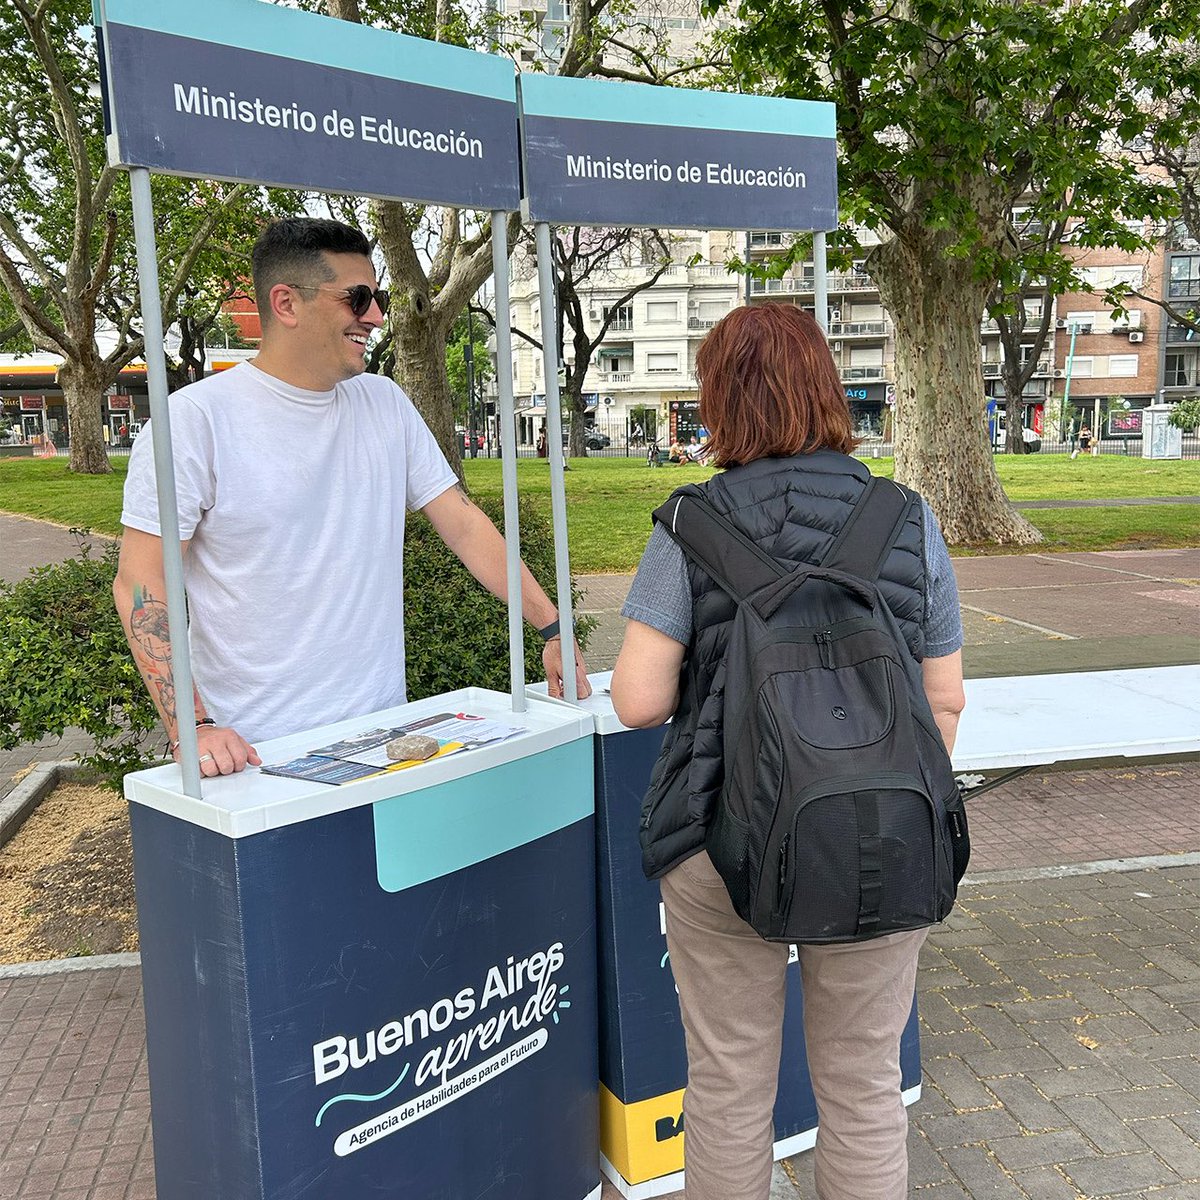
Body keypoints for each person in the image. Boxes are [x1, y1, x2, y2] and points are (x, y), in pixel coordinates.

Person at [610, 304, 965, 1200]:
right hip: (881, 837)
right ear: (828, 387)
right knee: (863, 1083)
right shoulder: (905, 519)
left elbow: (640, 699)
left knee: (728, 1084)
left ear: (719, 399)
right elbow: (944, 697)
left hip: (717, 834)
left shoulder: (692, 523)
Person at [114, 218, 588, 779]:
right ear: (286, 303)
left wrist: (552, 628)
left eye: (378, 297)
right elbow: (142, 581)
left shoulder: (384, 402)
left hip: (387, 740)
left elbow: (463, 524)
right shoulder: (192, 423)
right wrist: (191, 727)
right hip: (258, 758)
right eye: (357, 298)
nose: (376, 316)